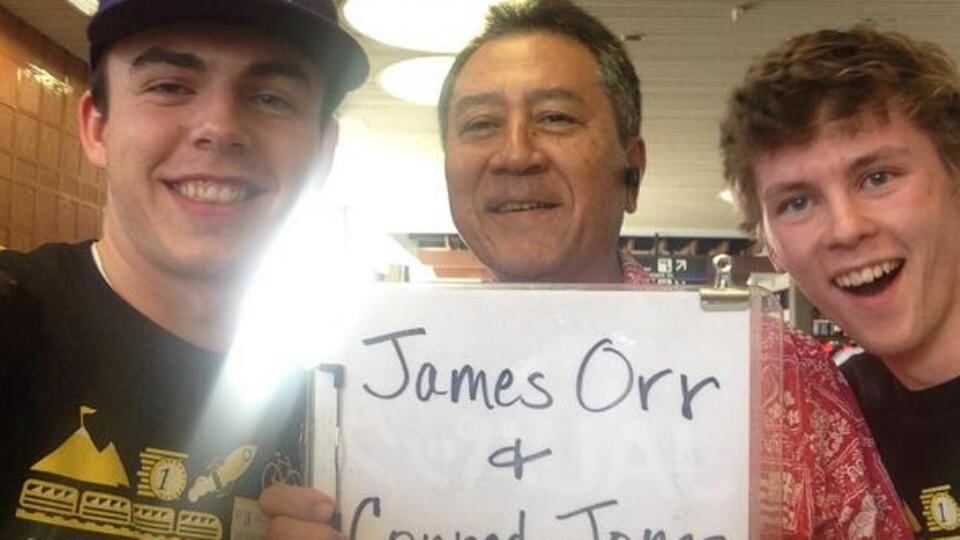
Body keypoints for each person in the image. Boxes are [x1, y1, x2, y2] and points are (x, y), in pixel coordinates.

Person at [439, 1, 910, 537]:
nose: (515, 154)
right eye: (480, 124)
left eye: (555, 117)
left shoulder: (773, 373)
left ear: (632, 171)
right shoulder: (368, 396)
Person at [0, 0, 367, 538]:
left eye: (271, 97)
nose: (219, 128)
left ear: (322, 152)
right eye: (169, 86)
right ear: (96, 128)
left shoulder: (361, 402)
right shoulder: (14, 318)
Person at [721, 25, 960, 537]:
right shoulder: (816, 423)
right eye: (798, 202)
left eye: (878, 177)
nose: (847, 229)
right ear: (771, 248)